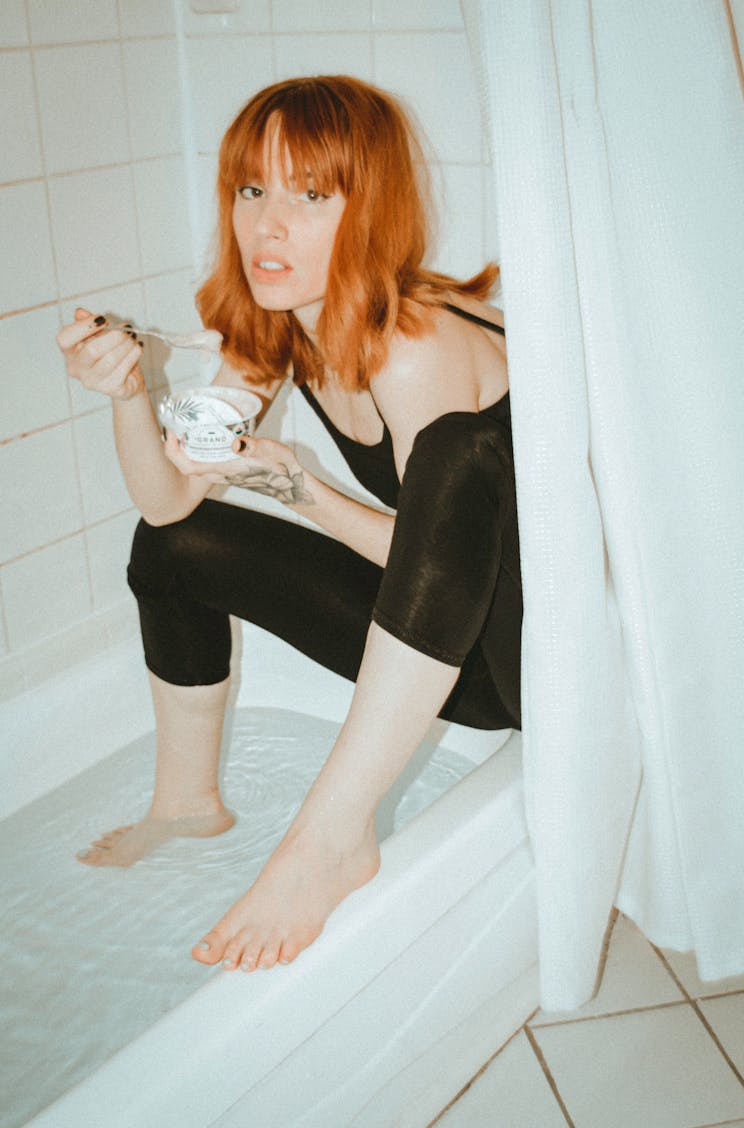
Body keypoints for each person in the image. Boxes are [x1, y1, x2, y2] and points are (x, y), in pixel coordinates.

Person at [56, 75, 522, 974]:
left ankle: (330, 839)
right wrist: (127, 394)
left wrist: (308, 493)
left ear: (369, 210)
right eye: (251, 189)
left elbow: (464, 558)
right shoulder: (279, 325)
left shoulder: (415, 345)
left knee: (459, 456)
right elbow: (168, 504)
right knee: (177, 550)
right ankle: (187, 802)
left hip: (527, 654)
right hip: (443, 636)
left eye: (311, 196)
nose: (269, 226)